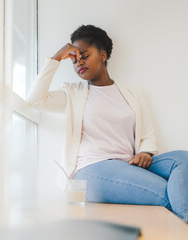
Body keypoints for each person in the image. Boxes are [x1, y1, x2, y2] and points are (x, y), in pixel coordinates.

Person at [27, 24, 188, 223]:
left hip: (130, 164)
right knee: (170, 193)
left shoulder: (133, 94)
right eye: (74, 59)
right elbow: (35, 100)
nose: (79, 63)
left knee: (183, 159)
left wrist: (145, 152)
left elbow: (147, 135)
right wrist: (56, 59)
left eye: (85, 55)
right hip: (92, 169)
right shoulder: (72, 93)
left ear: (103, 56)